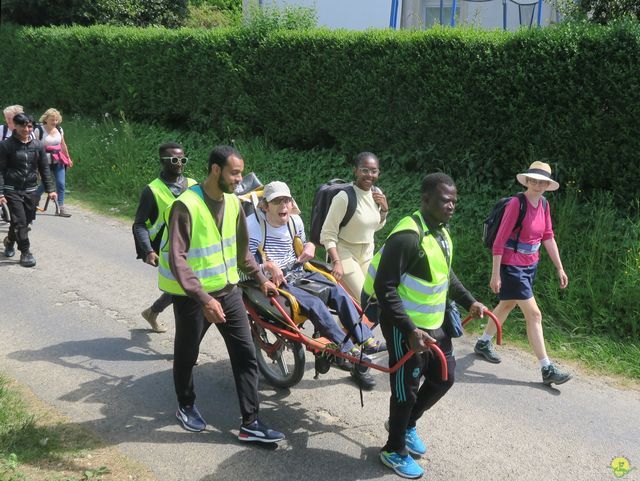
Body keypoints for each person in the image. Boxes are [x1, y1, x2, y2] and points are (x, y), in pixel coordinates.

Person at [158, 145, 284, 443]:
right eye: (235, 173)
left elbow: (242, 252)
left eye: (240, 172)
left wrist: (259, 277)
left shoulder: (233, 203)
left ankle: (251, 422)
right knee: (187, 354)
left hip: (228, 291)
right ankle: (186, 405)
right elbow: (178, 259)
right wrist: (204, 299)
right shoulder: (185, 206)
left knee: (245, 355)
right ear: (216, 170)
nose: (240, 179)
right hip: (193, 298)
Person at [363, 173, 486, 479]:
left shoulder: (441, 232)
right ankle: (393, 450)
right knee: (406, 389)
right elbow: (385, 287)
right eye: (446, 201)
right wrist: (408, 330)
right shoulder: (408, 236)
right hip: (403, 325)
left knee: (444, 377)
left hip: (433, 323)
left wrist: (470, 300)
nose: (452, 206)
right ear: (426, 199)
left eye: (454, 201)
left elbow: (445, 274)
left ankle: (405, 426)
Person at [247, 180, 382, 390]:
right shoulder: (253, 226)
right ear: (265, 206)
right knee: (315, 304)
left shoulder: (295, 222)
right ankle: (345, 347)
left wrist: (310, 245)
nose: (284, 206)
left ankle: (364, 337)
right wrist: (266, 267)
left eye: (286, 200)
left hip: (299, 271)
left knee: (337, 290)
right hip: (277, 280)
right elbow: (246, 263)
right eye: (277, 202)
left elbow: (302, 247)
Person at [474, 161, 572, 386]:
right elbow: (499, 240)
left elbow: (548, 236)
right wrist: (495, 274)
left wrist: (559, 267)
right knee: (534, 314)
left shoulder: (544, 205)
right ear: (527, 181)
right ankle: (546, 368)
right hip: (511, 266)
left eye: (542, 182)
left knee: (507, 305)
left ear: (548, 185)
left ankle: (482, 342)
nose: (538, 185)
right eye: (534, 181)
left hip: (530, 265)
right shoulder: (516, 204)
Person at [132, 142, 197, 333]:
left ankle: (152, 312)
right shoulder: (152, 191)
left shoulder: (193, 185)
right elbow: (139, 224)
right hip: (167, 250)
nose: (179, 163)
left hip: (194, 246)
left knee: (185, 288)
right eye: (174, 160)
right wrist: (148, 250)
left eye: (182, 159)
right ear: (162, 161)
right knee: (185, 292)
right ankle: (186, 342)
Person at [320, 152, 388, 300]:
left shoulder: (377, 193)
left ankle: (341, 323)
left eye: (374, 171)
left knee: (376, 296)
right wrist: (336, 262)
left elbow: (374, 227)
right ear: (355, 171)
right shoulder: (344, 197)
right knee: (365, 299)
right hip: (345, 253)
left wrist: (384, 210)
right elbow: (327, 234)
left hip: (367, 253)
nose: (369, 175)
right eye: (364, 170)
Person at [0, 113, 57, 267]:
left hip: (31, 190)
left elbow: (44, 168)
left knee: (25, 221)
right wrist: (0, 192)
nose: (26, 129)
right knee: (20, 222)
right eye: (23, 126)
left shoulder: (38, 145)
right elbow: (0, 170)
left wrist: (51, 189)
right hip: (12, 189)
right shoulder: (6, 145)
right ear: (16, 126)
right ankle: (26, 252)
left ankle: (10, 241)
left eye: (29, 126)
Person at [34, 108, 73, 217]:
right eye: (52, 120)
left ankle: (60, 208)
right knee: (45, 183)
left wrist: (68, 157)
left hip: (58, 159)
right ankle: (34, 199)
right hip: (44, 160)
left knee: (61, 183)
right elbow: (35, 147)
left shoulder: (59, 129)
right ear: (46, 119)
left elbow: (63, 145)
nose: (54, 122)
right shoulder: (39, 131)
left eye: (56, 120)